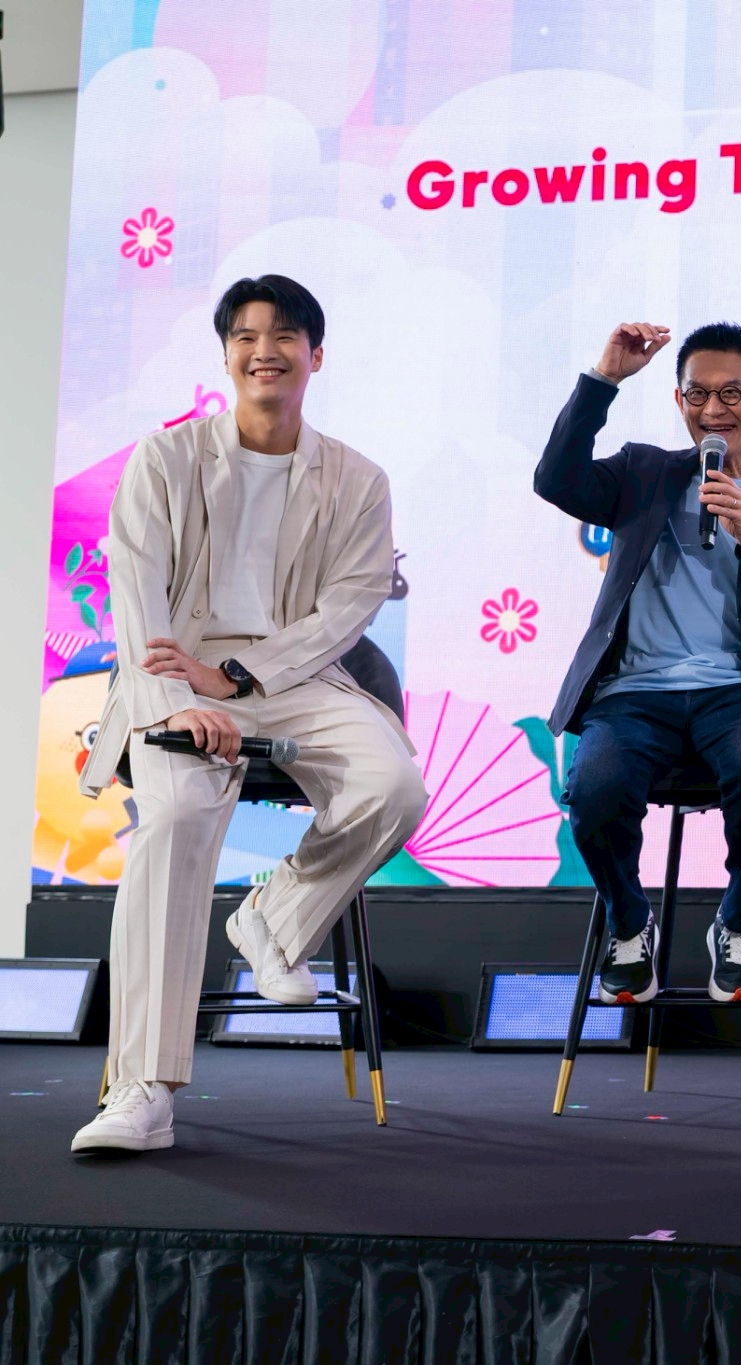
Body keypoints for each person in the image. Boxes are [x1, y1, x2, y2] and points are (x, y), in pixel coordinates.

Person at [72, 275, 427, 1154]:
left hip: (293, 672)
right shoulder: (165, 459)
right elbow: (136, 599)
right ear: (227, 354)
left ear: (316, 354)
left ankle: (273, 919)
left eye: (284, 335)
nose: (264, 350)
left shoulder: (359, 478)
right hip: (170, 670)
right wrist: (186, 699)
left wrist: (238, 676)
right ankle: (142, 1088)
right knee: (176, 820)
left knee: (393, 784)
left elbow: (348, 607)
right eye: (246, 336)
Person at [535, 322, 741, 1007]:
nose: (713, 409)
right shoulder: (643, 474)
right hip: (635, 692)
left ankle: (738, 920)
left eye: (732, 393)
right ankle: (629, 922)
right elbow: (554, 479)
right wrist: (603, 378)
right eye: (698, 394)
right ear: (679, 401)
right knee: (595, 787)